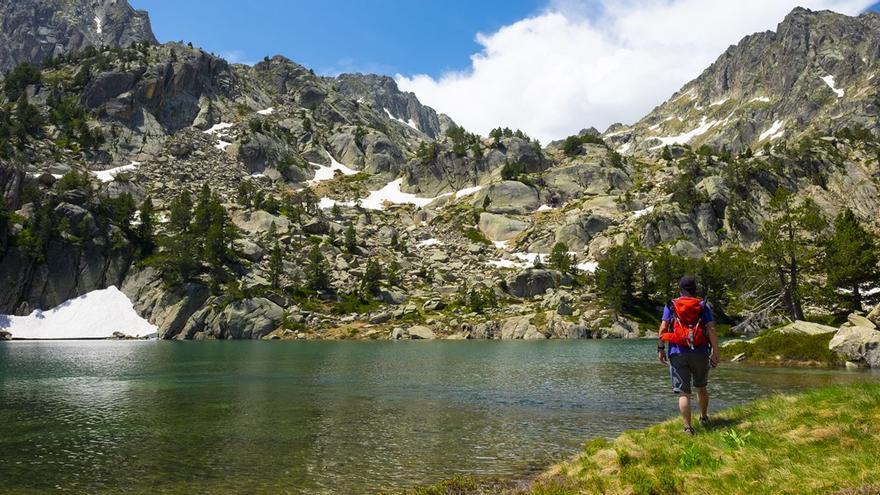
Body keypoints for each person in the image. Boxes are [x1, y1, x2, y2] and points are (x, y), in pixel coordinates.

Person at [657, 276, 720, 435]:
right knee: (701, 387)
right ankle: (704, 418)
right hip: (700, 351)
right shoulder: (703, 305)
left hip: (677, 352)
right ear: (695, 289)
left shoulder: (672, 305)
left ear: (680, 289)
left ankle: (687, 428)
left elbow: (663, 327)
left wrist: (661, 348)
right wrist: (716, 351)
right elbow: (711, 329)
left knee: (684, 393)